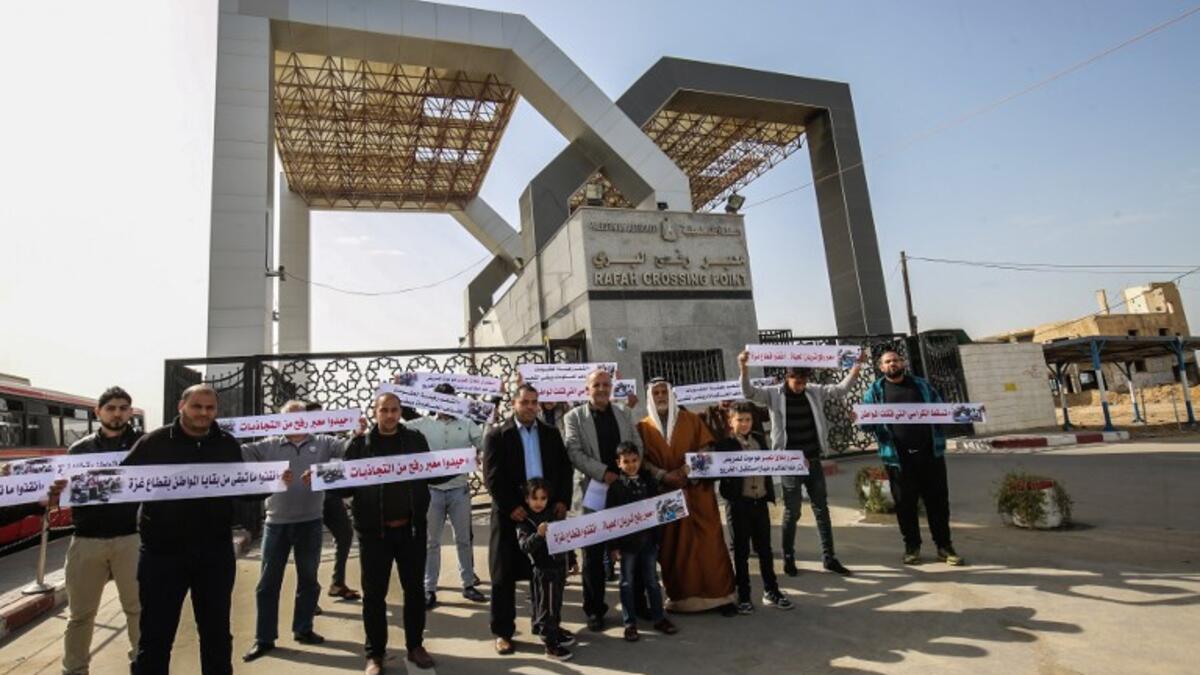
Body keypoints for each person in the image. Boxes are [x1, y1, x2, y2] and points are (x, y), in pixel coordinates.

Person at [125, 384, 291, 675]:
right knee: (155, 635)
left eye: (210, 408)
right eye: (197, 406)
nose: (203, 413)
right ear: (182, 406)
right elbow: (121, 486)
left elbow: (242, 487)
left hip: (214, 554)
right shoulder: (154, 442)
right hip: (162, 556)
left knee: (216, 634)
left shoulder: (226, 443)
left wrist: (272, 482)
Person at [240, 400, 365, 662]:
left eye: (300, 417)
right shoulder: (267, 445)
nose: (296, 423)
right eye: (289, 418)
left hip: (310, 522)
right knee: (267, 583)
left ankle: (303, 628)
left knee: (308, 580)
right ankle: (264, 638)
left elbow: (350, 452)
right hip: (276, 524)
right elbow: (237, 456)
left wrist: (357, 434)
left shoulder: (324, 442)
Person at [340, 392, 444, 673]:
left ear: (400, 412)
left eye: (394, 410)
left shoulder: (415, 440)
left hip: (411, 531)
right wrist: (320, 480)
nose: (389, 415)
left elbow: (432, 471)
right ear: (374, 412)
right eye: (383, 410)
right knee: (374, 595)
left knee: (414, 591)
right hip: (374, 534)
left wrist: (463, 463)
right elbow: (344, 486)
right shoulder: (359, 445)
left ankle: (415, 646)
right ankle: (375, 654)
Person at [739, 348, 865, 577]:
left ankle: (829, 557)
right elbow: (749, 392)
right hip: (790, 462)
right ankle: (789, 556)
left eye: (804, 381)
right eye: (797, 381)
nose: (800, 386)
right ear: (788, 377)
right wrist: (744, 368)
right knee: (793, 510)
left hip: (813, 459)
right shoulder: (774, 394)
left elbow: (840, 389)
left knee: (821, 509)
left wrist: (856, 367)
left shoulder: (813, 391)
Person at [483, 383, 574, 655]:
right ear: (514, 403)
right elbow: (492, 477)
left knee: (545, 573)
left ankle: (545, 624)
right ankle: (503, 632)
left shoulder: (550, 433)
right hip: (510, 513)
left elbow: (564, 469)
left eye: (534, 402)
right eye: (525, 402)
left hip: (544, 512)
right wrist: (512, 506)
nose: (530, 407)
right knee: (503, 574)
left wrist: (562, 501)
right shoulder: (498, 435)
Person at [59, 386, 144, 675]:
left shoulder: (144, 445)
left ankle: (142, 663)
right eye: (111, 408)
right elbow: (64, 489)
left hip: (131, 539)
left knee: (138, 609)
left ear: (130, 412)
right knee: (80, 615)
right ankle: (75, 669)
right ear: (98, 412)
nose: (117, 413)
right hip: (86, 541)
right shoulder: (79, 450)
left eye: (123, 408)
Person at [637, 378, 737, 614]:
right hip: (667, 495)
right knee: (675, 548)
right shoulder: (642, 428)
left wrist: (686, 471)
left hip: (697, 491)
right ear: (650, 397)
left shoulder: (691, 419)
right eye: (656, 393)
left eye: (664, 392)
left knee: (710, 544)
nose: (661, 396)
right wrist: (663, 475)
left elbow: (706, 447)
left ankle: (721, 597)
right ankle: (682, 599)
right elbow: (642, 460)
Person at [861, 350, 964, 566]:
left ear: (903, 363)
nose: (892, 364)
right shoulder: (875, 392)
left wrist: (952, 413)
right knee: (905, 506)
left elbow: (940, 409)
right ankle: (912, 547)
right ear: (881, 367)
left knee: (938, 503)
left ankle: (944, 547)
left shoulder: (921, 385)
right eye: (888, 361)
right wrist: (861, 418)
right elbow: (866, 425)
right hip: (897, 460)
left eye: (896, 360)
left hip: (930, 455)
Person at [563, 369, 647, 631]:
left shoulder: (623, 413)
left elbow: (637, 444)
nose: (601, 389)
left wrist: (626, 472)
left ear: (611, 387)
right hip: (593, 491)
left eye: (605, 384)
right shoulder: (574, 417)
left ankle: (638, 603)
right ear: (587, 389)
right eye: (596, 385)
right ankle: (594, 610)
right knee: (593, 554)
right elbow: (574, 452)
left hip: (624, 489)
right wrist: (603, 473)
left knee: (633, 546)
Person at [405, 383, 488, 608]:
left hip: (459, 490)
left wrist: (489, 426)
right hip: (432, 492)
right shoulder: (423, 424)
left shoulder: (467, 424)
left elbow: (485, 443)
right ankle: (429, 589)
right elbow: (395, 429)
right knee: (431, 542)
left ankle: (468, 584)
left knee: (463, 539)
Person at [717, 402, 793, 613]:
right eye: (739, 420)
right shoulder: (725, 445)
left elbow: (772, 462)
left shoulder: (759, 439)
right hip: (738, 504)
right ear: (730, 421)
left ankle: (772, 590)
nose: (744, 424)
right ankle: (744, 595)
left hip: (759, 503)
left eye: (748, 420)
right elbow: (714, 468)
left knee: (765, 549)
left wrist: (796, 463)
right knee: (741, 551)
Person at [605, 441, 678, 641]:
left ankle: (659, 618)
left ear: (640, 460)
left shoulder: (649, 483)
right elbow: (610, 519)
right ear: (618, 463)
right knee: (626, 583)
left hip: (648, 542)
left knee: (652, 581)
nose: (631, 465)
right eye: (626, 461)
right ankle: (630, 624)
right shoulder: (616, 488)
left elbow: (658, 511)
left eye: (634, 460)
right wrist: (613, 547)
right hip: (627, 545)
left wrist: (658, 539)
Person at [305, 401, 361, 608]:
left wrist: (355, 435)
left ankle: (337, 583)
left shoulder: (329, 438)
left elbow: (344, 453)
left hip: (330, 496)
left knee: (345, 534)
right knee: (310, 546)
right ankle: (308, 598)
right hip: (307, 499)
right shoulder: (298, 440)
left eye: (321, 416)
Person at [515, 478, 574, 661]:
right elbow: (525, 546)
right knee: (547, 607)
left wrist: (572, 560)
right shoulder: (525, 522)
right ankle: (550, 644)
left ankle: (552, 630)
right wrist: (539, 535)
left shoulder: (553, 515)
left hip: (558, 567)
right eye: (535, 498)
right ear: (527, 499)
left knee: (556, 603)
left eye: (543, 498)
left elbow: (566, 538)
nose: (539, 502)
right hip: (543, 570)